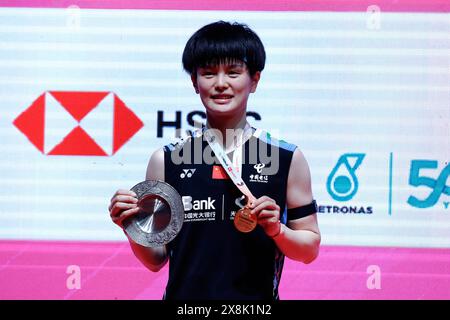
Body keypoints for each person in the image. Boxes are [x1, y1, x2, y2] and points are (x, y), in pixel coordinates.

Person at [108, 21, 321, 300]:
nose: (221, 84)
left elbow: (309, 249)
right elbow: (155, 260)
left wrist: (276, 230)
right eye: (208, 73)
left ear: (254, 80)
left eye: (233, 73)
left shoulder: (286, 158)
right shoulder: (166, 160)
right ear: (195, 82)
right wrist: (131, 225)